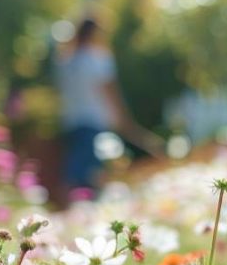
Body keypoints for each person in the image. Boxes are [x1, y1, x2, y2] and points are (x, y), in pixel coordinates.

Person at [54, 17, 160, 194]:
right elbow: (111, 94)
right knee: (89, 178)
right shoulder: (99, 60)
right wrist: (125, 121)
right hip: (94, 124)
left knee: (76, 176)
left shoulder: (66, 62)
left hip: (71, 123)